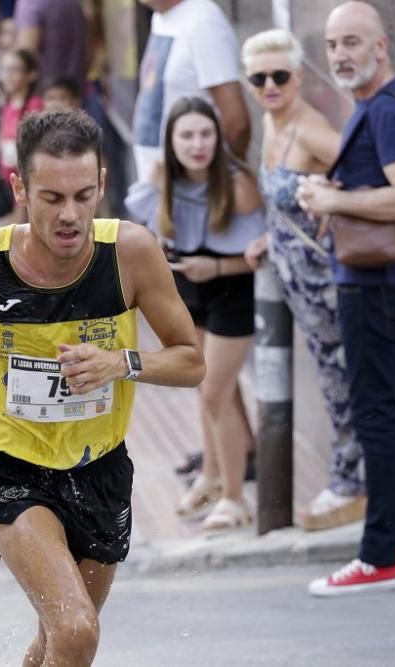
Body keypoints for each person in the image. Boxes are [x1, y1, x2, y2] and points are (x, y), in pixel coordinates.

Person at [0, 108, 206, 665]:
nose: (70, 215)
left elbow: (191, 362)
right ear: (20, 188)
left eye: (84, 196)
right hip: (11, 470)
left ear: (102, 185)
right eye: (52, 198)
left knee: (57, 640)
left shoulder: (129, 253)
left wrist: (121, 362)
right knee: (78, 630)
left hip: (101, 470)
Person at [296, 1, 395, 596]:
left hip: (376, 284)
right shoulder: (381, 106)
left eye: (352, 42)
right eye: (332, 45)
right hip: (389, 281)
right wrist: (337, 189)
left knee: (377, 415)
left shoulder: (386, 110)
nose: (340, 55)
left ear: (381, 45)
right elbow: (383, 186)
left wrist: (332, 203)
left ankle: (380, 555)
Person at [241, 28, 367, 531]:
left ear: (298, 77)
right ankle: (347, 477)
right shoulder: (273, 125)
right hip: (298, 285)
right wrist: (272, 238)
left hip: (327, 281)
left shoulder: (311, 128)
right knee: (331, 376)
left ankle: (350, 482)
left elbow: (365, 174)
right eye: (259, 78)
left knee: (341, 382)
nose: (270, 85)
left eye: (280, 76)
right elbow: (282, 200)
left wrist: (333, 199)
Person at [126, 97, 264, 531]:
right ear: (171, 141)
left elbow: (262, 249)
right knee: (205, 385)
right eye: (186, 135)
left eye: (206, 133)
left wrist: (218, 266)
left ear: (219, 137)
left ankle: (237, 499)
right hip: (189, 288)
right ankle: (212, 476)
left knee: (214, 393)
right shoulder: (164, 179)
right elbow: (154, 229)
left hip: (231, 291)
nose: (197, 144)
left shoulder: (237, 183)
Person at [132, 0, 252, 185]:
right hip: (160, 184)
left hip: (193, 189)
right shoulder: (162, 16)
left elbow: (237, 122)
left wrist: (216, 182)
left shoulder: (204, 22)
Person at [13, 0, 88, 98]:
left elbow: (25, 57)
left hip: (45, 98)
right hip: (76, 93)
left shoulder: (30, 3)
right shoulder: (76, 2)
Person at [0, 49, 44, 196]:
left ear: (31, 75)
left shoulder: (34, 106)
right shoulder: (7, 105)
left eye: (15, 69)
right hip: (8, 181)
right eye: (5, 69)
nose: (8, 75)